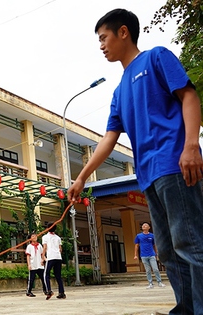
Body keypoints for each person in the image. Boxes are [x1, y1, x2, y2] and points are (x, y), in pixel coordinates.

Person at [67, 8, 203, 314]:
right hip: (148, 176)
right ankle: (186, 308)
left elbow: (189, 96)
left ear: (123, 32)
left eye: (104, 38)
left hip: (174, 163)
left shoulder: (157, 57)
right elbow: (108, 139)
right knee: (167, 250)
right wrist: (82, 177)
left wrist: (191, 145)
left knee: (190, 242)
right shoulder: (118, 91)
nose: (101, 45)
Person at [134, 222, 166, 289]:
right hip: (143, 255)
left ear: (149, 227)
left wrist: (156, 253)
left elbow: (154, 245)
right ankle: (150, 283)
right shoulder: (138, 236)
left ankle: (159, 282)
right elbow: (136, 246)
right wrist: (135, 255)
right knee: (148, 270)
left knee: (155, 269)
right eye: (143, 225)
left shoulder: (152, 236)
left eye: (146, 225)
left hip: (151, 254)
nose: (144, 226)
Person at [41, 223, 64, 300]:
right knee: (58, 276)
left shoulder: (45, 237)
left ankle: (49, 291)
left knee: (46, 274)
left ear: (47, 228)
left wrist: (42, 257)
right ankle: (62, 293)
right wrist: (57, 254)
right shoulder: (58, 237)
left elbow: (45, 247)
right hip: (58, 257)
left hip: (50, 257)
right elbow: (60, 249)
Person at [25, 233, 46, 298]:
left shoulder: (39, 245)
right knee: (31, 279)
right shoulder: (29, 246)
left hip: (40, 265)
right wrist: (29, 265)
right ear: (30, 239)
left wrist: (44, 260)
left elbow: (42, 254)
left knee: (43, 278)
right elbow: (28, 256)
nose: (35, 237)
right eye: (33, 236)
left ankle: (45, 290)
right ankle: (29, 291)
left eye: (35, 236)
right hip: (33, 265)